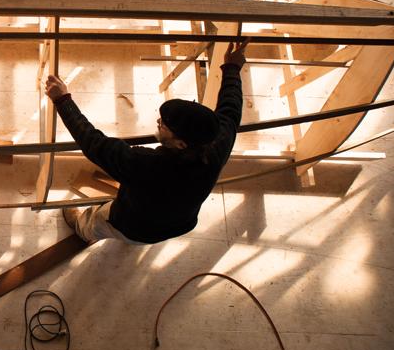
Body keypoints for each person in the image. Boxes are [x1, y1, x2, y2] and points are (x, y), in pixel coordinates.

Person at [45, 40, 249, 244]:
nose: (159, 122)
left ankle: (82, 229)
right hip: (179, 223)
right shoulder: (215, 148)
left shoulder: (145, 164)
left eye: (165, 126)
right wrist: (232, 68)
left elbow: (93, 143)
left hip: (132, 226)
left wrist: (62, 100)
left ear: (181, 144)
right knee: (143, 207)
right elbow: (230, 111)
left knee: (96, 222)